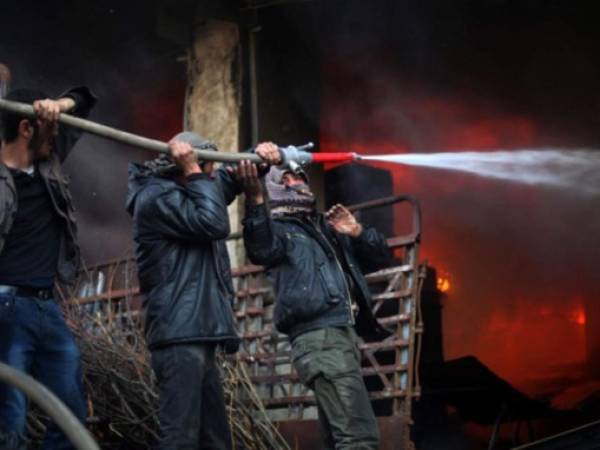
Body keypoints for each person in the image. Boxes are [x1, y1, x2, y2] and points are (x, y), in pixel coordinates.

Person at [126, 134, 278, 449]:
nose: (211, 177)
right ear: (184, 165)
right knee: (180, 439)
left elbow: (226, 179)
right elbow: (213, 222)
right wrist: (196, 170)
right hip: (179, 335)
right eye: (205, 169)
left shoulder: (187, 191)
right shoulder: (155, 198)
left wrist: (257, 157)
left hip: (198, 333)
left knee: (215, 441)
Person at [238, 152, 392, 450]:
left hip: (340, 338)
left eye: (300, 177)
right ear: (276, 189)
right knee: (359, 438)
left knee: (338, 439)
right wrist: (255, 201)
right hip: (321, 342)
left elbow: (380, 258)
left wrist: (358, 232)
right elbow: (260, 248)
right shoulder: (280, 231)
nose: (298, 182)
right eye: (288, 178)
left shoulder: (327, 230)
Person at [0, 86, 97, 449]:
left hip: (46, 307)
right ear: (27, 128)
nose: (56, 135)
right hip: (5, 308)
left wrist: (60, 105)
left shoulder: (48, 164)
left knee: (70, 415)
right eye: (50, 128)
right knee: (10, 419)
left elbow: (86, 99)